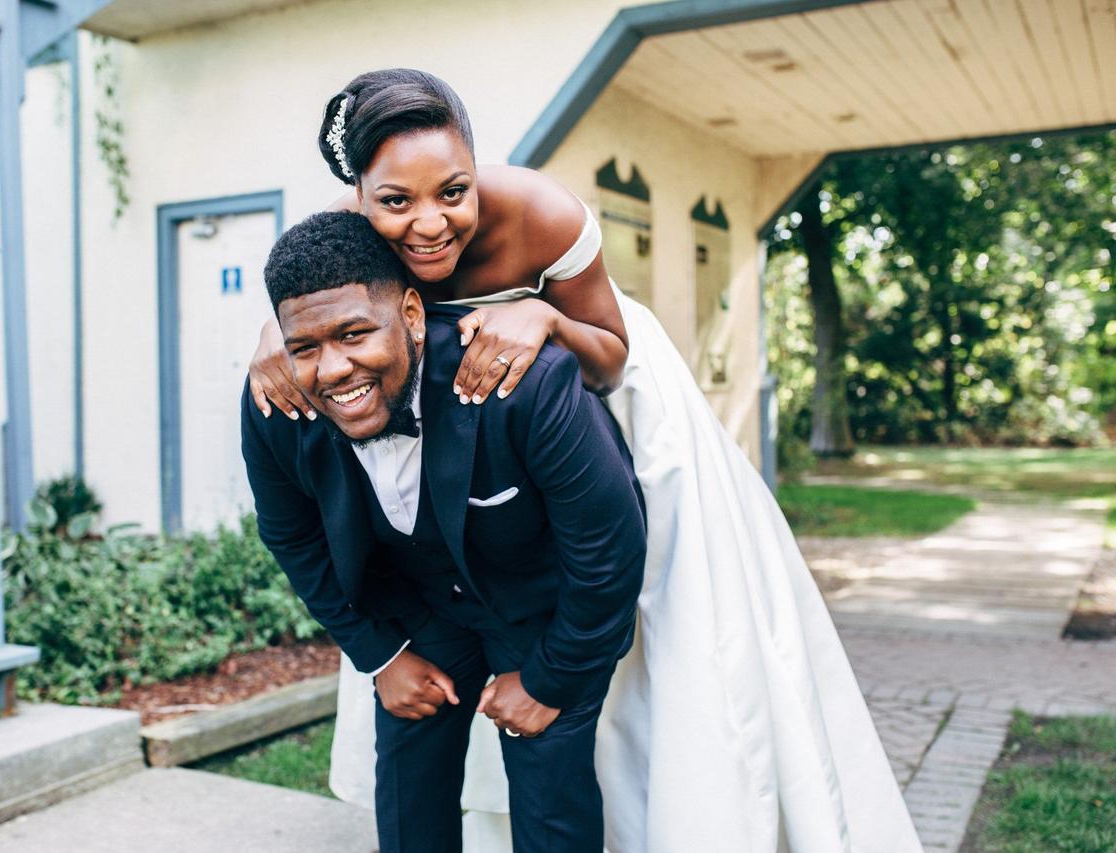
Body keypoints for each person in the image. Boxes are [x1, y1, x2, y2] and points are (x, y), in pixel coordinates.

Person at [249, 70, 922, 852]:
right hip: (448, 432)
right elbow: (317, 314)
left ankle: (681, 805)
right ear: (361, 197)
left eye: (453, 192)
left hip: (583, 387)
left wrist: (542, 318)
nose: (427, 223)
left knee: (662, 615)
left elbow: (610, 355)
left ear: (476, 169)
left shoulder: (543, 213)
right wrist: (271, 340)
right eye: (395, 202)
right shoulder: (349, 237)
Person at [241, 210, 647, 853]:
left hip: (537, 608)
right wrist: (381, 655)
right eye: (306, 347)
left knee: (552, 806)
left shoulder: (528, 384)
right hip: (418, 610)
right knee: (406, 792)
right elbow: (292, 537)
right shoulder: (278, 402)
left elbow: (610, 549)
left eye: (353, 334)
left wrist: (551, 678)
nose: (333, 369)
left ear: (409, 314)